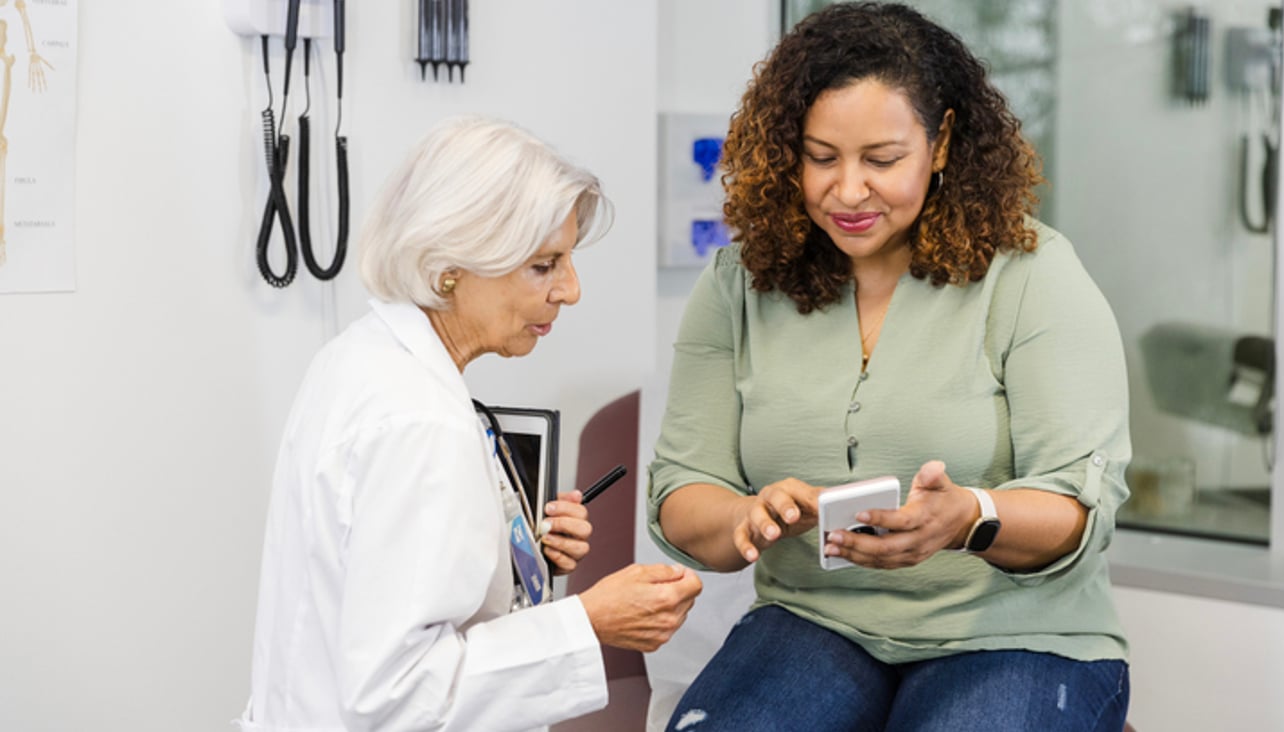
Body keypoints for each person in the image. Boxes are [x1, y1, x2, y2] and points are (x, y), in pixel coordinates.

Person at [647, 3, 1131, 730]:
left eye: (881, 160)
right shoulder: (738, 285)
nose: (846, 191)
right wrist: (745, 517)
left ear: (940, 146)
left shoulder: (1032, 275)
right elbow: (684, 490)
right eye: (820, 157)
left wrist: (970, 517)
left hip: (1015, 633)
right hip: (815, 622)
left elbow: (1077, 510)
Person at [237, 115, 702, 732]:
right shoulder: (419, 421)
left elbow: (376, 591)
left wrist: (512, 557)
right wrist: (588, 623)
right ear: (450, 266)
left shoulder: (361, 358)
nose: (571, 290)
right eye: (545, 265)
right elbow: (396, 697)